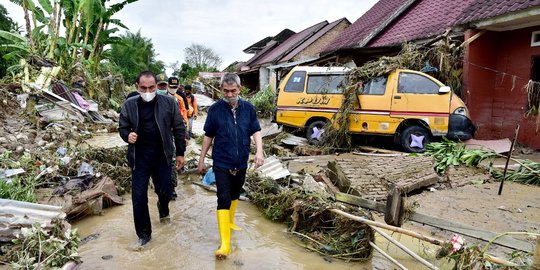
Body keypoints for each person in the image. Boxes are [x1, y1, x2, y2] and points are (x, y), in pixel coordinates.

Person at [197, 72, 264, 259]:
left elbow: (256, 130)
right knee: (223, 197)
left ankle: (231, 221)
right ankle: (224, 244)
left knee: (235, 194)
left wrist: (259, 151)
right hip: (221, 162)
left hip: (241, 161)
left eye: (232, 90)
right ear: (221, 89)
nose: (229, 94)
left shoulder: (248, 108)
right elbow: (208, 136)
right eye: (225, 91)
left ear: (239, 89)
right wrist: (202, 159)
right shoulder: (215, 110)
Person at [119, 71, 186, 248]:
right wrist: (127, 136)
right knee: (138, 197)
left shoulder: (169, 103)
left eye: (151, 87)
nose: (147, 91)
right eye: (143, 88)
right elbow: (122, 127)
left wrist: (180, 152)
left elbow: (179, 128)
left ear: (157, 87)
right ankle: (144, 235)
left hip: (162, 156)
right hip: (139, 158)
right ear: (137, 87)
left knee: (165, 191)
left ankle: (163, 208)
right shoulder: (129, 105)